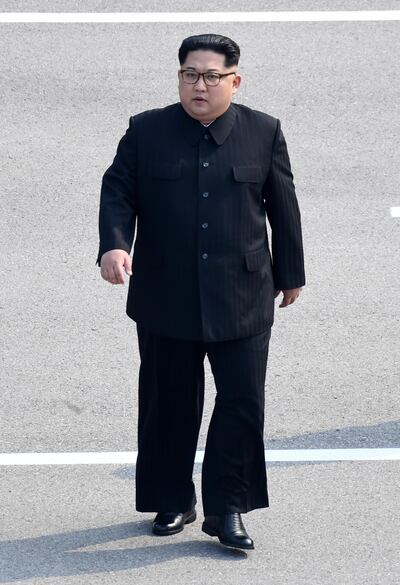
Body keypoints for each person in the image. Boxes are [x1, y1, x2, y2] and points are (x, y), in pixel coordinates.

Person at [96, 33, 305, 551]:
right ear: (180, 77)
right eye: (191, 74)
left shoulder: (263, 131)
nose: (200, 85)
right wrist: (114, 245)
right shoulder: (147, 131)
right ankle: (173, 499)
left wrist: (292, 273)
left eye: (212, 76)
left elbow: (283, 205)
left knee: (240, 403)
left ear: (235, 80)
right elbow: (119, 190)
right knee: (169, 402)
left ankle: (228, 508)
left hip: (243, 295)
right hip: (167, 295)